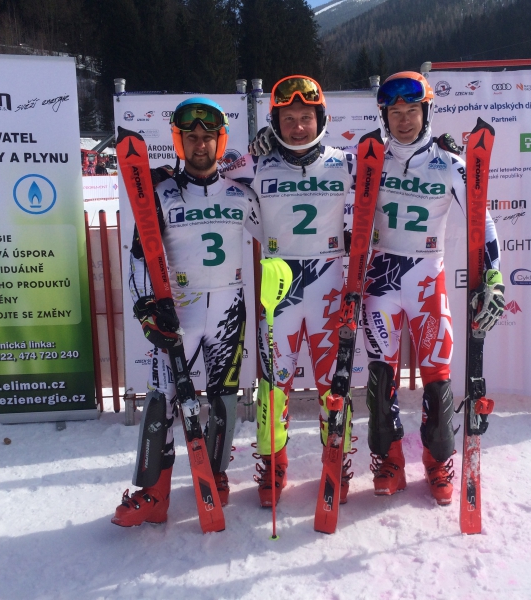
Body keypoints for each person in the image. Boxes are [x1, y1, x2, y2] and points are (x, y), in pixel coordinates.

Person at [112, 98, 263, 527]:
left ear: (220, 142)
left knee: (224, 398)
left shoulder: (240, 194)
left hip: (229, 310)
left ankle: (215, 476)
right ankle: (153, 493)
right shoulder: (160, 194)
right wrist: (146, 308)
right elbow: (140, 256)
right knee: (161, 401)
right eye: (191, 137)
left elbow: (279, 235)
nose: (200, 144)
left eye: (208, 137)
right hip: (179, 312)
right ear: (179, 142)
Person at [362, 72, 505, 506]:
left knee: (438, 379)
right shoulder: (370, 159)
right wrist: (265, 151)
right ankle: (388, 460)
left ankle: (437, 461)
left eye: (412, 111)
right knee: (380, 378)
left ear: (426, 112)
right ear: (384, 116)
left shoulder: (450, 163)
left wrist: (494, 275)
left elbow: (483, 221)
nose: (404, 120)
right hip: (381, 277)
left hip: (426, 277)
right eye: (395, 113)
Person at [224, 75, 356, 508]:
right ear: (274, 123)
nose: (298, 127)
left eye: (305, 117)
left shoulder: (344, 161)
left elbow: (392, 167)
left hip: (327, 283)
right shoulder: (258, 165)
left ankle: (336, 460)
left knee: (332, 383)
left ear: (321, 118)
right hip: (278, 288)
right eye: (288, 119)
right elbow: (213, 174)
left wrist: (442, 150)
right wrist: (251, 150)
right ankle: (273, 464)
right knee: (273, 385)